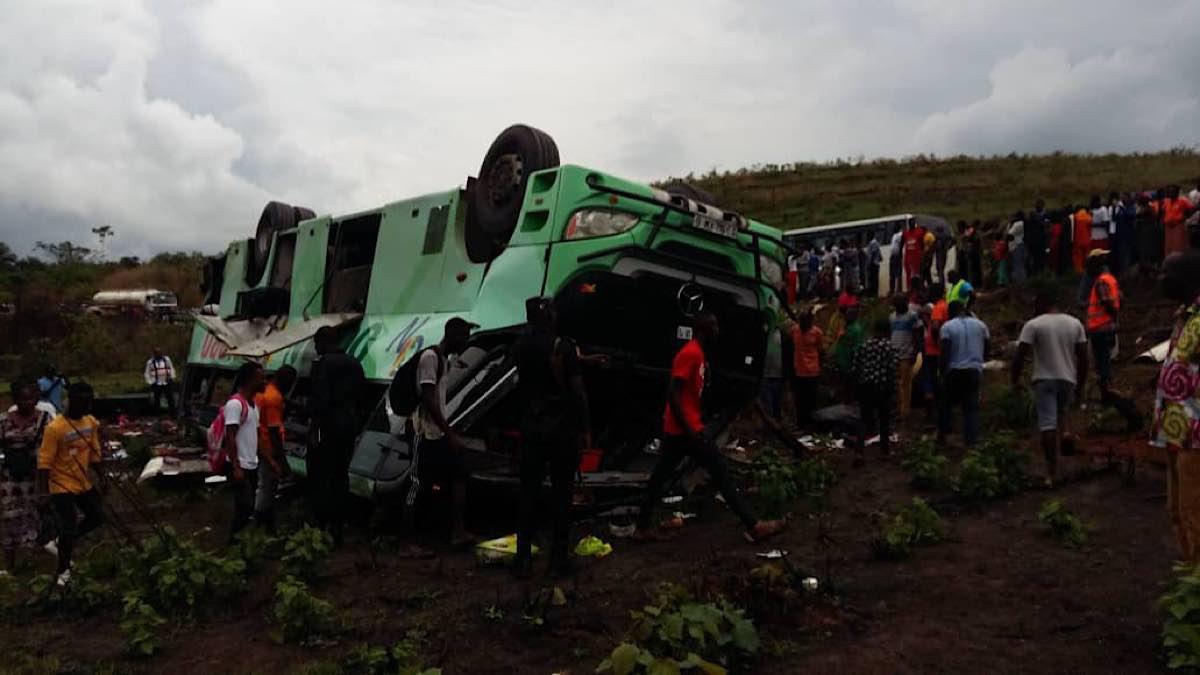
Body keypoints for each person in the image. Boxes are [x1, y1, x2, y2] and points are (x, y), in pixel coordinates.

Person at [636, 312, 785, 543]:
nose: (718, 330)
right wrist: (690, 430)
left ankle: (641, 528)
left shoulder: (699, 354)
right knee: (720, 474)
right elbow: (673, 395)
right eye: (714, 325)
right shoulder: (691, 354)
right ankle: (754, 526)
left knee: (659, 478)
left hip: (681, 430)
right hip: (686, 431)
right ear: (704, 328)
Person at [512, 298, 592, 578]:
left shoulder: (520, 346)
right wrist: (585, 428)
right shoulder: (563, 346)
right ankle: (558, 559)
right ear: (547, 316)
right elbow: (578, 392)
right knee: (562, 493)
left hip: (531, 426)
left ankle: (522, 559)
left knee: (528, 493)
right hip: (561, 428)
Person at [410, 318, 477, 548]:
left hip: (437, 433)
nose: (467, 342)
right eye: (465, 336)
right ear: (454, 336)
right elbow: (428, 398)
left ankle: (455, 531)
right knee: (418, 485)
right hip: (425, 432)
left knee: (459, 470)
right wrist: (449, 433)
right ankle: (407, 541)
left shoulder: (444, 360)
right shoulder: (430, 358)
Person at [1011, 289, 1088, 485]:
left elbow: (1020, 355)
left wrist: (1015, 380)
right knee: (1063, 413)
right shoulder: (1074, 323)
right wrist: (1081, 384)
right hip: (1068, 378)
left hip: (1044, 379)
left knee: (1047, 424)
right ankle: (1067, 436)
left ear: (1040, 305)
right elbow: (1084, 357)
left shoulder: (1034, 325)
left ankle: (1052, 472)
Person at [1152, 252, 1200, 560]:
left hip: (1195, 436)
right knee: (1178, 511)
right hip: (1174, 431)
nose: (1160, 279)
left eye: (1166, 273)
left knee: (1195, 513)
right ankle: (1189, 578)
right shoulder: (1185, 318)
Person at [37, 382, 104, 585]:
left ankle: (59, 542)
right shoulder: (55, 428)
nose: (87, 407)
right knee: (69, 524)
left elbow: (94, 453)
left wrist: (102, 477)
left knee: (97, 516)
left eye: (89, 402)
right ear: (71, 401)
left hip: (81, 481)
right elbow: (44, 462)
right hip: (61, 483)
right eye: (83, 402)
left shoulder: (90, 422)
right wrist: (43, 492)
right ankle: (63, 572)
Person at [308, 326, 367, 547]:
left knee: (321, 476)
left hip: (328, 426)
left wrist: (315, 430)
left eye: (316, 344)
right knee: (341, 475)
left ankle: (321, 527)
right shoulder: (355, 363)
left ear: (323, 342)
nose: (316, 348)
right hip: (348, 425)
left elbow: (319, 401)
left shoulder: (323, 365)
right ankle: (338, 528)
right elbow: (362, 397)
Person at [0, 381, 52, 575]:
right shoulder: (4, 421)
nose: (27, 403)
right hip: (10, 480)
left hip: (35, 477)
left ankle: (32, 566)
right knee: (8, 519)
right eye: (23, 399)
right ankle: (10, 565)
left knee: (33, 519)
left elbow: (48, 451)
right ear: (15, 400)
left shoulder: (45, 420)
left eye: (31, 398)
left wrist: (45, 485)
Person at [223, 362, 265, 543]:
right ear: (250, 380)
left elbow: (255, 436)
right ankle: (234, 542)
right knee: (245, 507)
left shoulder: (254, 406)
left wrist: (266, 459)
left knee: (245, 507)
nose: (263, 381)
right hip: (239, 464)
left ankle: (239, 542)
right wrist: (236, 467)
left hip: (251, 463)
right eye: (260, 377)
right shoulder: (235, 404)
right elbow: (230, 437)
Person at [938, 301, 989, 447]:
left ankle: (944, 435)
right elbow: (987, 347)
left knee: (946, 404)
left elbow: (945, 352)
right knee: (971, 407)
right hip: (973, 370)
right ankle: (971, 441)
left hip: (954, 370)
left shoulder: (947, 327)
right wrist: (980, 361)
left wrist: (942, 373)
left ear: (950, 312)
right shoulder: (981, 325)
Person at [254, 365, 296, 534]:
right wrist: (281, 459)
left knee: (266, 486)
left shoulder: (264, 391)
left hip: (259, 444)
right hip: (269, 447)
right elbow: (273, 430)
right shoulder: (274, 398)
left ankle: (268, 526)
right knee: (267, 487)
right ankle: (259, 524)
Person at [852, 317, 898, 463]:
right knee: (884, 419)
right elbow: (892, 370)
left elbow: (855, 368)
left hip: (866, 387)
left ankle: (859, 452)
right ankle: (885, 451)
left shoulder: (864, 345)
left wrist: (857, 385)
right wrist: (893, 389)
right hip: (882, 387)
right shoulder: (889, 347)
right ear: (887, 330)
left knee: (864, 420)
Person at [1085, 250, 1120, 400]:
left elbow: (1107, 303)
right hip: (1105, 326)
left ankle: (1106, 391)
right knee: (1104, 358)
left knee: (1102, 361)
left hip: (1100, 327)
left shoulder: (1101, 281)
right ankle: (1106, 389)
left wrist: (1112, 317)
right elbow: (1119, 299)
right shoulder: (1110, 279)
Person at [889, 294, 924, 420]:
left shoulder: (912, 316)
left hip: (906, 353)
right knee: (896, 383)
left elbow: (918, 334)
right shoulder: (892, 317)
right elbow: (891, 334)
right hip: (894, 353)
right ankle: (899, 408)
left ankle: (905, 411)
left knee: (905, 383)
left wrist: (915, 352)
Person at [790, 308, 823, 427]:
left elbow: (820, 350)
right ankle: (801, 423)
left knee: (811, 400)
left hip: (812, 372)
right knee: (799, 400)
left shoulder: (817, 332)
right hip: (798, 371)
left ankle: (812, 424)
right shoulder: (794, 330)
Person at [922, 290, 949, 423]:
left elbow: (935, 328)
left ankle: (933, 415)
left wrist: (936, 341)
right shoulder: (946, 307)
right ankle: (939, 413)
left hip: (933, 353)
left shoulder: (938, 309)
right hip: (939, 352)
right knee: (937, 381)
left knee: (931, 382)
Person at [759, 316, 785, 425]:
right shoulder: (762, 334)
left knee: (777, 404)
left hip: (779, 375)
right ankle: (769, 428)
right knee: (767, 405)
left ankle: (778, 427)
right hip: (765, 375)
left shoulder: (781, 335)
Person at [1156, 185, 1195, 258]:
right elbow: (1163, 211)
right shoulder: (1167, 201)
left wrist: (1185, 217)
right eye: (1169, 191)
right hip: (1168, 228)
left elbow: (1191, 209)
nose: (1170, 193)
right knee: (1169, 247)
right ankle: (1170, 263)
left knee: (1178, 246)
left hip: (1178, 226)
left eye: (1172, 191)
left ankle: (1179, 262)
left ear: (1177, 192)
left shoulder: (1182, 200)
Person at [143, 348, 176, 416]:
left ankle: (173, 414)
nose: (159, 354)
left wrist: (172, 377)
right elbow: (147, 373)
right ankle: (158, 415)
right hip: (156, 383)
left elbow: (171, 368)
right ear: (154, 354)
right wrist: (150, 382)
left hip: (166, 382)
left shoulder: (167, 359)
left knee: (170, 399)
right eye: (157, 353)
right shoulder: (150, 362)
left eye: (160, 353)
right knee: (156, 400)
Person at [1136, 193, 1163, 274]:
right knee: (1146, 250)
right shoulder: (1145, 208)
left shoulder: (1148, 208)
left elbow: (1150, 218)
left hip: (1148, 231)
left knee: (1148, 250)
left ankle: (1149, 267)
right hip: (1145, 231)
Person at [1112, 192, 1136, 275]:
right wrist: (1114, 208)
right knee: (1120, 254)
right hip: (1119, 235)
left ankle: (1127, 272)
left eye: (1125, 197)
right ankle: (1122, 271)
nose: (1123, 199)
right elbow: (1114, 218)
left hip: (1128, 235)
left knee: (1126, 254)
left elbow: (1130, 216)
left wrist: (1121, 207)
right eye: (1122, 198)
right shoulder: (1121, 208)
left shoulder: (1131, 207)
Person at [901, 219, 926, 293]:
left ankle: (918, 289)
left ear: (915, 223)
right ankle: (909, 289)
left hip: (917, 257)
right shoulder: (905, 233)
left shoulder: (920, 232)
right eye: (910, 223)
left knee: (917, 274)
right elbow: (901, 244)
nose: (912, 224)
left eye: (913, 223)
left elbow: (922, 244)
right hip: (908, 257)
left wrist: (922, 254)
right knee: (908, 274)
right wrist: (900, 254)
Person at [1027, 199, 1049, 277]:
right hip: (1039, 241)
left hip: (1037, 242)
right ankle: (1038, 274)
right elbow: (1045, 225)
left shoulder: (1032, 216)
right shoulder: (1036, 216)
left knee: (1037, 260)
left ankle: (1037, 275)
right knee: (1039, 259)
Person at [1072, 205, 1093, 273]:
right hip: (1087, 239)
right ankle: (1087, 269)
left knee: (1078, 256)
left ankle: (1079, 271)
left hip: (1077, 239)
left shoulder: (1076, 216)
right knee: (1087, 255)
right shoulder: (1088, 217)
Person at [1008, 212, 1027, 284]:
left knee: (1017, 264)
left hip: (1016, 245)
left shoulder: (1016, 224)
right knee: (1021, 263)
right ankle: (1021, 280)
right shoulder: (1024, 223)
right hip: (1022, 245)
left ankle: (1019, 281)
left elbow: (1010, 236)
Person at [888, 228, 904, 295]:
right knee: (892, 274)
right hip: (893, 255)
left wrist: (900, 253)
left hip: (897, 255)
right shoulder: (894, 235)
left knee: (898, 274)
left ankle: (899, 290)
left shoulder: (900, 234)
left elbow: (901, 243)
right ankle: (892, 290)